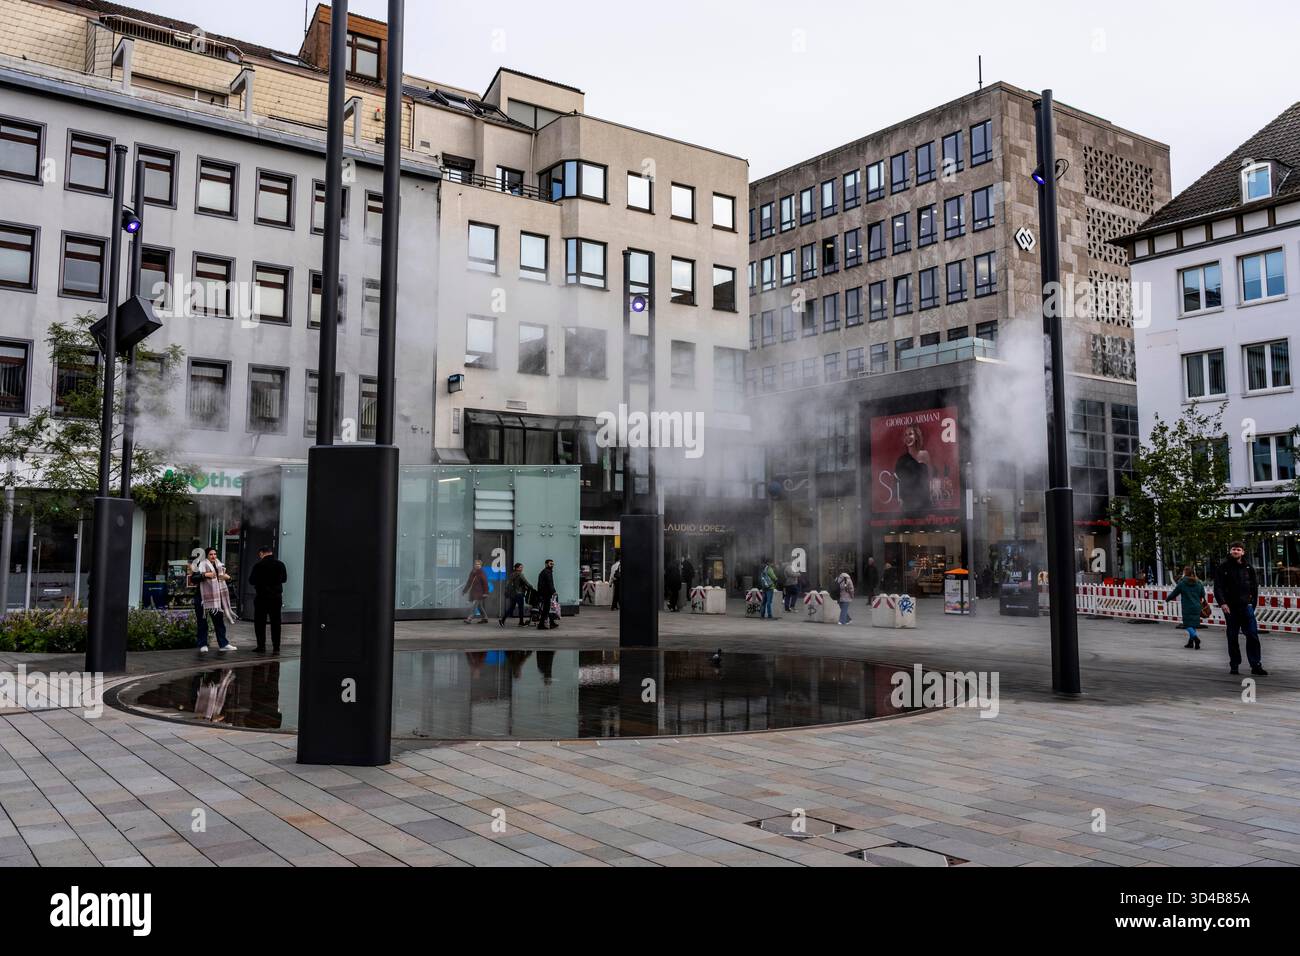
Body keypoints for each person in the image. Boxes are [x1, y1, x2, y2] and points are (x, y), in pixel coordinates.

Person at [1213, 542, 1266, 676]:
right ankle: (1234, 665)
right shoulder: (1223, 567)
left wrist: (1252, 604)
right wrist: (1223, 603)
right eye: (1234, 549)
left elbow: (1254, 588)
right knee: (1232, 636)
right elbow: (1218, 587)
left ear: (1243, 552)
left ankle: (1256, 665)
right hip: (1230, 608)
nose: (1236, 551)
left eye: (1238, 549)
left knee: (1253, 635)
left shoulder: (1248, 568)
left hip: (1246, 606)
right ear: (1230, 551)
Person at [248, 543, 287, 653]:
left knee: (260, 623)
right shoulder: (280, 564)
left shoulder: (258, 565)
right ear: (271, 552)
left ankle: (261, 646)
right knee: (276, 622)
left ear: (261, 553)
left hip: (262, 597)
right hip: (276, 598)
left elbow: (251, 581)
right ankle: (276, 648)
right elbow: (284, 579)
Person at [196, 547, 236, 654]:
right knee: (202, 622)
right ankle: (203, 644)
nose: (213, 556)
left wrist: (229, 578)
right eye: (211, 554)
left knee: (219, 622)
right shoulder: (201, 565)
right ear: (206, 556)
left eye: (215, 554)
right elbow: (193, 578)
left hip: (216, 600)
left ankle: (223, 644)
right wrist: (205, 575)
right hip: (202, 598)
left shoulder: (220, 565)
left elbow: (223, 581)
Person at [893, 423, 932, 516]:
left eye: (910, 434)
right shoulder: (901, 460)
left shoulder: (925, 455)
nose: (907, 437)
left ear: (916, 436)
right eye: (905, 435)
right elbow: (897, 483)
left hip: (926, 503)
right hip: (908, 505)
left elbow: (930, 478)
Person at [1165, 566, 1205, 650]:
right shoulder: (1199, 582)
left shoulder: (1182, 583)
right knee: (1193, 625)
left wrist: (1167, 599)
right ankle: (1191, 643)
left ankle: (1196, 638)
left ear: (1185, 573)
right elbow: (1203, 594)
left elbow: (1174, 593)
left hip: (1187, 607)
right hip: (1197, 606)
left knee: (1187, 625)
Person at [500, 562, 534, 627]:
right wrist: (531, 587)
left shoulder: (512, 574)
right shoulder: (520, 574)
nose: (522, 568)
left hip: (513, 594)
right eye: (520, 567)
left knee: (511, 607)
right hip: (519, 594)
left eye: (522, 567)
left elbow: (509, 584)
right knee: (521, 608)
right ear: (517, 568)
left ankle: (503, 620)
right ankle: (521, 623)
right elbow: (526, 582)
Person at [461, 558, 489, 623]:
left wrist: (486, 593)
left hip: (480, 593)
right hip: (474, 592)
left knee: (474, 606)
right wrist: (464, 591)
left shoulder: (482, 573)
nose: (477, 565)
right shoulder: (473, 572)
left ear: (481, 565)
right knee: (480, 606)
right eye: (476, 564)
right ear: (474, 565)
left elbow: (485, 583)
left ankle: (469, 618)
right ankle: (485, 618)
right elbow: (469, 582)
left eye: (479, 564)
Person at [536, 558, 558, 629]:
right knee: (546, 609)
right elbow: (549, 583)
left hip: (545, 593)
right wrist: (553, 591)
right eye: (550, 564)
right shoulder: (547, 572)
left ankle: (551, 623)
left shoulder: (546, 571)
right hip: (546, 593)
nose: (552, 565)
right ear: (546, 564)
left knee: (548, 608)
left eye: (553, 564)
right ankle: (541, 625)